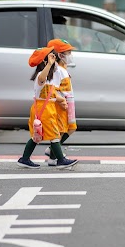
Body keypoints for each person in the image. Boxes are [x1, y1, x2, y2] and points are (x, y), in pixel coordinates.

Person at [16, 47, 77, 170]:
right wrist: (49, 64)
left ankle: (24, 159)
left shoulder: (51, 80)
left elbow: (52, 94)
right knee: (54, 135)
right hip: (44, 109)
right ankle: (60, 160)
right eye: (51, 58)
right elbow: (41, 79)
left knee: (36, 137)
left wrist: (62, 100)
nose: (54, 62)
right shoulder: (41, 76)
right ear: (44, 62)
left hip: (46, 108)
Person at [45, 38, 76, 166]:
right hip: (60, 104)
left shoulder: (62, 68)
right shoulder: (57, 70)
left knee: (71, 127)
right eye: (67, 53)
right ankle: (53, 156)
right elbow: (51, 89)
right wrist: (60, 100)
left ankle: (52, 151)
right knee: (61, 130)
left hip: (68, 102)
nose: (70, 56)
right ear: (59, 55)